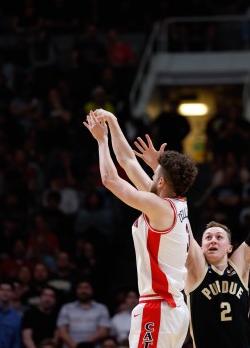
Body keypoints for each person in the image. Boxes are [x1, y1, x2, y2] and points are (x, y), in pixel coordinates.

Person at [134, 141, 250, 348]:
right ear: (199, 246)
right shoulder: (197, 267)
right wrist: (159, 171)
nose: (213, 240)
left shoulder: (240, 265)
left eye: (219, 237)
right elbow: (179, 216)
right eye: (208, 237)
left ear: (230, 248)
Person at [84, 109, 198, 348]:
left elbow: (111, 180)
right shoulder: (172, 205)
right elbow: (127, 162)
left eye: (155, 171)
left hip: (160, 307)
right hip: (171, 308)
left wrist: (102, 141)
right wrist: (113, 122)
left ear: (162, 182)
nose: (151, 170)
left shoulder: (159, 207)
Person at [56, 280, 110, 348]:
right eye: (80, 288)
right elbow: (62, 332)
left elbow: (103, 331)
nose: (83, 291)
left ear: (92, 290)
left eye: (86, 288)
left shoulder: (101, 308)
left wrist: (84, 346)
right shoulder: (66, 308)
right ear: (76, 290)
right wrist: (76, 346)